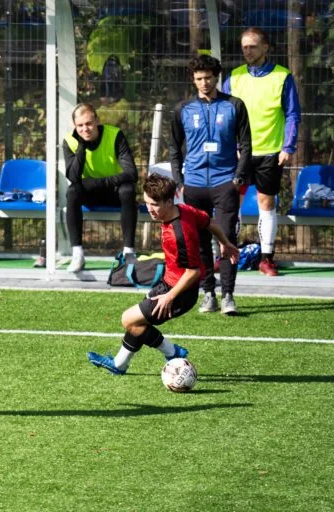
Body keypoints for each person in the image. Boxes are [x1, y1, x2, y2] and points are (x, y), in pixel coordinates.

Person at [87, 174, 239, 375]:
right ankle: (120, 364)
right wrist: (225, 243)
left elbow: (194, 272)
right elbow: (209, 222)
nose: (150, 209)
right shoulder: (184, 210)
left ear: (169, 201)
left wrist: (170, 296)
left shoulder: (178, 234)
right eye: (147, 202)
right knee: (138, 321)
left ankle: (171, 352)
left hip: (179, 292)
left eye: (155, 204)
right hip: (168, 283)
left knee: (129, 320)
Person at [170, 54, 251, 315]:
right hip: (193, 184)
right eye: (199, 79)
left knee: (226, 239)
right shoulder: (183, 109)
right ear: (193, 80)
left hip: (224, 183)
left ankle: (228, 295)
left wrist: (237, 177)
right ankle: (208, 293)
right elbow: (174, 147)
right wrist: (179, 181)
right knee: (200, 242)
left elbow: (246, 145)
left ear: (217, 78)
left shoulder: (234, 105)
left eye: (208, 78)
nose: (204, 83)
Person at [223, 27, 302, 277]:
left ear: (265, 48)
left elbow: (292, 114)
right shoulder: (234, 77)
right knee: (229, 203)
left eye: (253, 46)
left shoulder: (282, 76)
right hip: (239, 153)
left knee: (266, 204)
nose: (248, 50)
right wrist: (231, 146)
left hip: (270, 152)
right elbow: (224, 114)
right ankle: (227, 255)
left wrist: (287, 147)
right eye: (244, 46)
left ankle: (266, 258)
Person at [63, 103, 138, 272]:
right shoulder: (70, 141)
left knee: (128, 190)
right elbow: (73, 177)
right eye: (80, 126)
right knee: (72, 191)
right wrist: (82, 146)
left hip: (114, 191)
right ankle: (78, 254)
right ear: (75, 126)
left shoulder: (115, 135)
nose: (85, 129)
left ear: (97, 120)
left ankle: (128, 253)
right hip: (89, 193)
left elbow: (131, 174)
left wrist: (98, 182)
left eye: (89, 123)